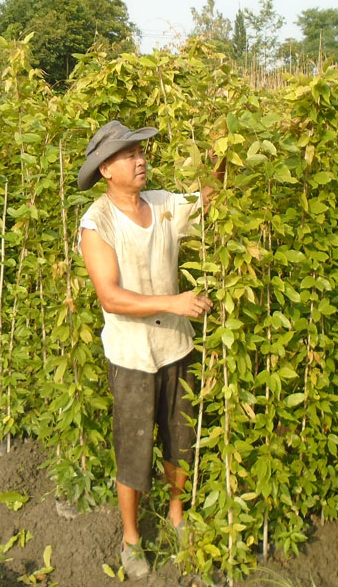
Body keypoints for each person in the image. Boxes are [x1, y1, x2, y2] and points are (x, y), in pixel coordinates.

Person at [77, 119, 221, 580]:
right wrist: (174, 302)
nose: (140, 160)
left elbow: (206, 203)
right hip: (132, 357)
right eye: (128, 155)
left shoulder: (161, 204)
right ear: (105, 170)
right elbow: (110, 296)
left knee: (180, 438)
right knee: (134, 450)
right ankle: (131, 537)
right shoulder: (96, 223)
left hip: (175, 347)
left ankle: (176, 515)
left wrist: (220, 155)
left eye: (141, 152)